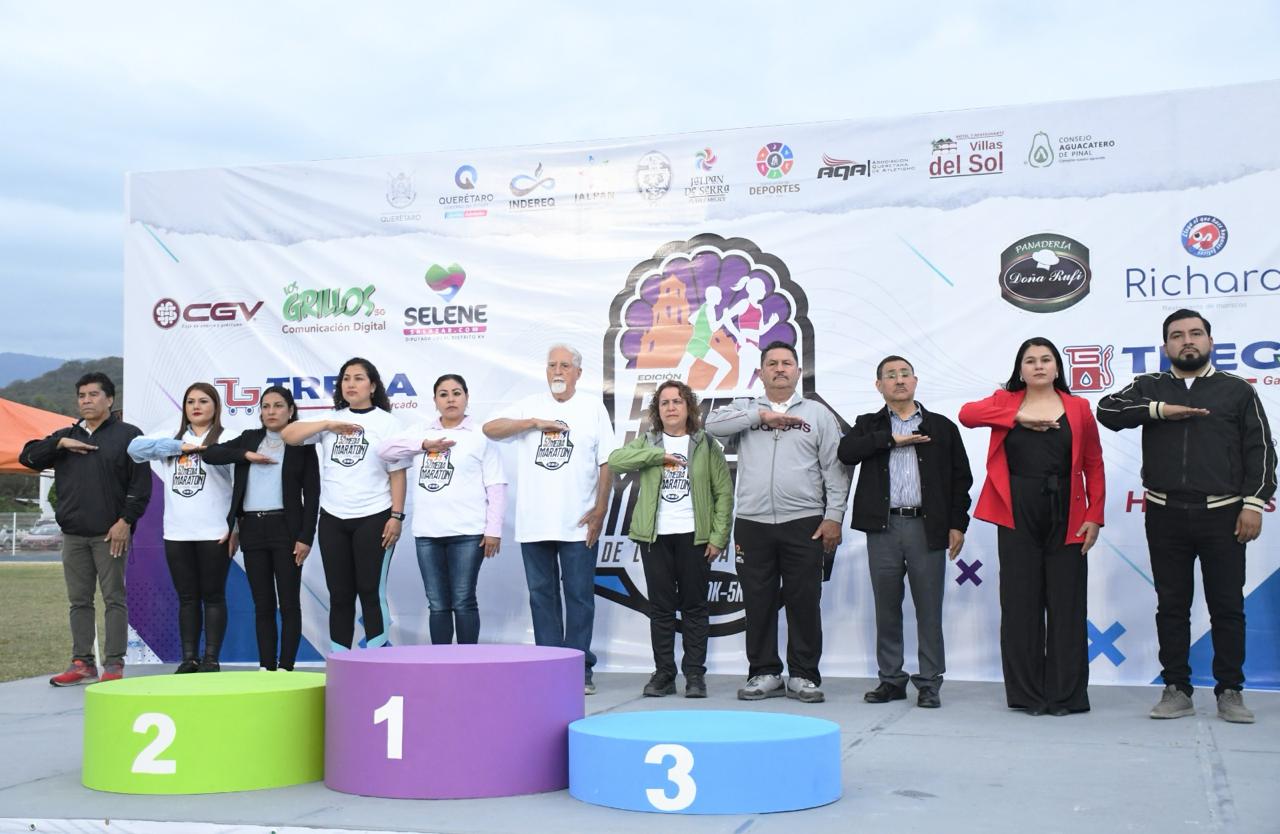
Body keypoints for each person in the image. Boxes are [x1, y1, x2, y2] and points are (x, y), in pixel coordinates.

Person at [1097, 309, 1276, 724]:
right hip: (1165, 515)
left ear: (1210, 342)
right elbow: (1107, 410)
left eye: (1196, 333)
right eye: (1177, 335)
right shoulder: (1150, 386)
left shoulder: (1236, 390)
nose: (1187, 341)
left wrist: (1253, 504)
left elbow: (1261, 450)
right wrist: (1159, 410)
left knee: (1227, 606)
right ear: (1166, 347)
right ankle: (1176, 688)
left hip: (1224, 516)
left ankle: (1230, 690)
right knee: (1172, 606)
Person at [959, 337, 1104, 717]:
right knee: (1020, 602)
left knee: (1067, 603)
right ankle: (1027, 695)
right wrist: (1017, 417)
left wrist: (1094, 515)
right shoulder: (1005, 401)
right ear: (1020, 370)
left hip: (1068, 511)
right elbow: (967, 414)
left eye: (1046, 359)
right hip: (1017, 509)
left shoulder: (1078, 407)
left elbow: (1093, 463)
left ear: (1057, 368)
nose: (1038, 365)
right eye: (1030, 360)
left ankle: (1065, 696)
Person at [705, 340, 850, 703]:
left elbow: (834, 469)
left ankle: (803, 675)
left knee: (805, 600)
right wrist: (760, 417)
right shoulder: (745, 409)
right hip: (752, 523)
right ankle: (764, 672)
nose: (780, 369)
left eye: (787, 363)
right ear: (761, 372)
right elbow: (711, 425)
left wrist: (834, 516)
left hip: (805, 522)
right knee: (758, 602)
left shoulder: (818, 414)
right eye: (772, 364)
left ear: (798, 371)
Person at [837, 356, 973, 708]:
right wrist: (889, 440)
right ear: (879, 385)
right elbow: (846, 452)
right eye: (890, 376)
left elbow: (961, 479)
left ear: (915, 381)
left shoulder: (941, 426)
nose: (899, 380)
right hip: (883, 527)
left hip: (927, 526)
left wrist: (957, 523)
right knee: (886, 607)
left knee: (929, 607)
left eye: (904, 374)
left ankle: (929, 682)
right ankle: (891, 679)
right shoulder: (868, 424)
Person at [483, 344, 615, 695]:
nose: (557, 371)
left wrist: (600, 510)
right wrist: (533, 423)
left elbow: (607, 462)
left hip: (579, 521)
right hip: (534, 522)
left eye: (565, 366)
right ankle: (550, 666)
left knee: (579, 597)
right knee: (542, 596)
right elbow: (490, 428)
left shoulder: (591, 407)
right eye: (552, 365)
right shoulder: (530, 405)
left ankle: (579, 668)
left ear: (578, 373)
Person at [21, 372, 152, 685]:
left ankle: (114, 664)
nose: (86, 401)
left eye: (94, 395)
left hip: (111, 534)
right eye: (82, 396)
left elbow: (140, 485)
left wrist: (125, 522)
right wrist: (59, 443)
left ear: (110, 399)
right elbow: (28, 457)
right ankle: (82, 663)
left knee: (114, 599)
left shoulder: (129, 435)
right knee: (79, 601)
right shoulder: (65, 436)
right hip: (73, 535)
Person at [608, 379, 733, 698]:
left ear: (688, 407)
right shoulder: (648, 442)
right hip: (655, 538)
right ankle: (664, 674)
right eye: (664, 402)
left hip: (695, 537)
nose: (671, 407)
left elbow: (723, 493)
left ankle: (695, 675)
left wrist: (718, 536)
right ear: (657, 410)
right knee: (661, 609)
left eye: (677, 401)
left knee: (695, 607)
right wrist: (656, 456)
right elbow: (616, 461)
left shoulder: (706, 444)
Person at [282, 358, 409, 651]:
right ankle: (341, 661)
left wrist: (397, 516)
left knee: (370, 591)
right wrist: (328, 424)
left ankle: (377, 660)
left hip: (375, 517)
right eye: (346, 378)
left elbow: (397, 473)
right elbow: (289, 435)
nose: (351, 384)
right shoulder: (330, 420)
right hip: (333, 518)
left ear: (373, 386)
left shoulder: (388, 423)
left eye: (359, 378)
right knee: (339, 594)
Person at [378, 373, 507, 645]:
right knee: (437, 603)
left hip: (468, 533)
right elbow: (384, 450)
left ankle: (468, 661)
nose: (451, 399)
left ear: (467, 397)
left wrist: (493, 530)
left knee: (463, 599)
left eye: (456, 393)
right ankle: (441, 662)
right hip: (428, 533)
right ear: (435, 400)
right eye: (444, 394)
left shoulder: (479, 435)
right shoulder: (422, 432)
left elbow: (496, 486)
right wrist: (423, 445)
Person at [203, 385, 320, 671]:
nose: (271, 412)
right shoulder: (250, 439)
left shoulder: (302, 444)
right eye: (265, 406)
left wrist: (306, 537)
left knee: (289, 603)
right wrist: (246, 455)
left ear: (291, 411)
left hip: (286, 529)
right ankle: (267, 666)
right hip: (252, 529)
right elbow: (211, 454)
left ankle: (287, 667)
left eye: (278, 406)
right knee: (262, 604)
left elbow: (312, 495)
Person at [128, 382, 241, 672]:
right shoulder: (171, 439)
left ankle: (211, 658)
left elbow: (242, 486)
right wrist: (180, 446)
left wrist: (236, 528)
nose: (196, 406)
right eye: (190, 401)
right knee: (187, 598)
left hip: (215, 532)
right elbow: (134, 449)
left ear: (216, 406)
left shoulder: (229, 438)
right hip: (177, 533)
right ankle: (189, 658)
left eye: (203, 401)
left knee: (213, 596)